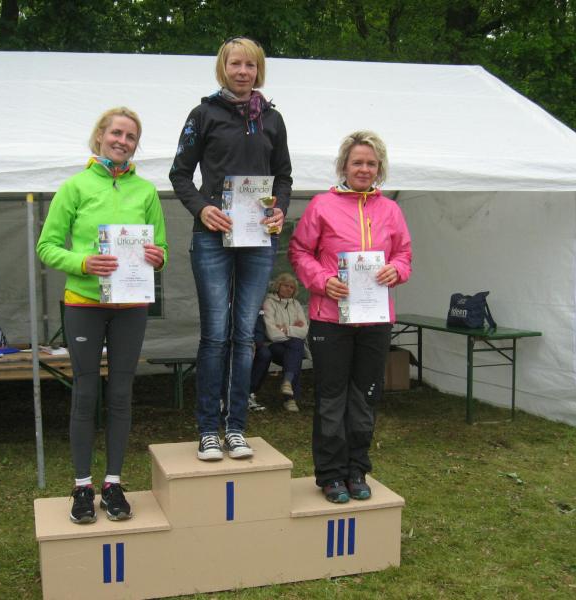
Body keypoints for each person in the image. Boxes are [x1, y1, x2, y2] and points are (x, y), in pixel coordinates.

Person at [37, 107, 168, 524]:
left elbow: (162, 249)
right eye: (116, 133)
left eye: (131, 137)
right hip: (84, 303)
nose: (122, 141)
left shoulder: (146, 191)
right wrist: (83, 262)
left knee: (121, 393)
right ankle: (82, 486)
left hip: (131, 306)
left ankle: (113, 483)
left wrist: (157, 256)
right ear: (99, 136)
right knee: (85, 392)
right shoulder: (74, 187)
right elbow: (46, 246)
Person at [170, 36, 292, 461]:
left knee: (245, 336)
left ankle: (236, 427)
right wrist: (202, 209)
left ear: (259, 70)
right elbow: (180, 174)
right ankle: (208, 429)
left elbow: (283, 177)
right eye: (235, 64)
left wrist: (281, 210)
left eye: (250, 65)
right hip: (212, 235)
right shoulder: (203, 114)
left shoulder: (272, 119)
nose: (243, 71)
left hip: (257, 237)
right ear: (223, 68)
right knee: (216, 335)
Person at [289, 130, 411, 503]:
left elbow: (404, 255)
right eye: (357, 162)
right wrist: (322, 280)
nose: (364, 169)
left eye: (371, 163)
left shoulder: (391, 210)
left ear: (379, 169)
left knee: (365, 397)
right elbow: (299, 251)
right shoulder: (321, 205)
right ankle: (330, 475)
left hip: (375, 320)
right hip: (330, 319)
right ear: (344, 165)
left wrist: (396, 270)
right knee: (332, 398)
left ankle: (357, 470)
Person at [250, 272, 308, 412]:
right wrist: (294, 329)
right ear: (278, 286)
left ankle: (288, 383)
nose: (288, 289)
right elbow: (272, 334)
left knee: (295, 348)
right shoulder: (269, 302)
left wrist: (285, 328)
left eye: (292, 287)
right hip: (274, 346)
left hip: (291, 347)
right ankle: (290, 398)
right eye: (285, 285)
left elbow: (305, 331)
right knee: (296, 348)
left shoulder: (296, 304)